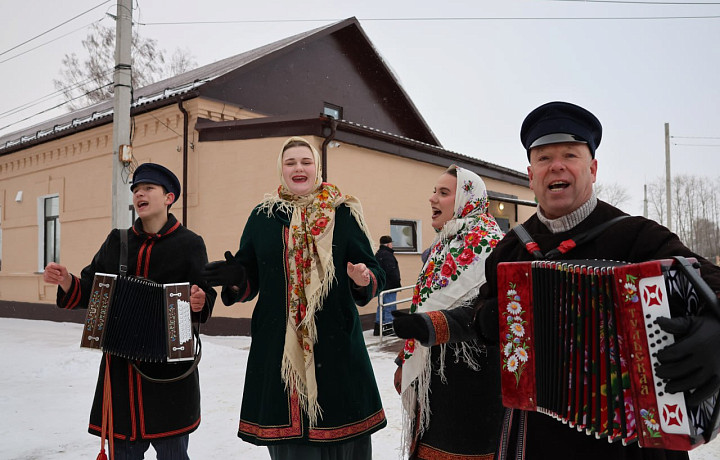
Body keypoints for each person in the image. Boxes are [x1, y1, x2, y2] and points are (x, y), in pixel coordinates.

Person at [477, 101, 720, 460]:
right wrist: (487, 318)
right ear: (531, 175)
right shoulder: (512, 247)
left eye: (570, 155)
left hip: (631, 443)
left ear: (592, 168)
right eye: (543, 158)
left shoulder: (638, 237)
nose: (556, 165)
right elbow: (485, 306)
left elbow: (711, 283)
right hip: (536, 438)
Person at [201, 136, 387, 459]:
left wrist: (362, 278)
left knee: (344, 446)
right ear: (281, 170)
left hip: (337, 352)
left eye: (305, 161)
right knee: (293, 451)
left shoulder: (342, 215)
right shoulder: (263, 217)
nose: (298, 168)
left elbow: (373, 273)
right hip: (280, 355)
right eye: (290, 163)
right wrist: (237, 278)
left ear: (317, 168)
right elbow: (249, 274)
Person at [43, 162, 217, 460]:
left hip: (169, 377)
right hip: (120, 377)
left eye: (148, 188)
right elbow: (90, 290)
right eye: (136, 189)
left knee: (173, 453)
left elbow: (202, 295)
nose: (140, 194)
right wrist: (67, 281)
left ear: (169, 197)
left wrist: (199, 301)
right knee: (123, 452)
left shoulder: (189, 244)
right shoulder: (117, 241)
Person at [390, 165, 506, 459]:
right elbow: (424, 304)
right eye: (434, 191)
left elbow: (486, 312)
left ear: (467, 200)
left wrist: (432, 327)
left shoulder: (492, 246)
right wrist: (406, 358)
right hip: (434, 378)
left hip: (473, 379)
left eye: (443, 193)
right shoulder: (444, 245)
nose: (433, 199)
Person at [374, 235, 401, 336]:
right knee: (390, 306)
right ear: (389, 244)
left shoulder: (378, 254)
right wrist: (396, 283)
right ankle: (388, 327)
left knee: (381, 306)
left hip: (381, 286)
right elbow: (391, 271)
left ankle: (378, 327)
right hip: (390, 285)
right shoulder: (388, 255)